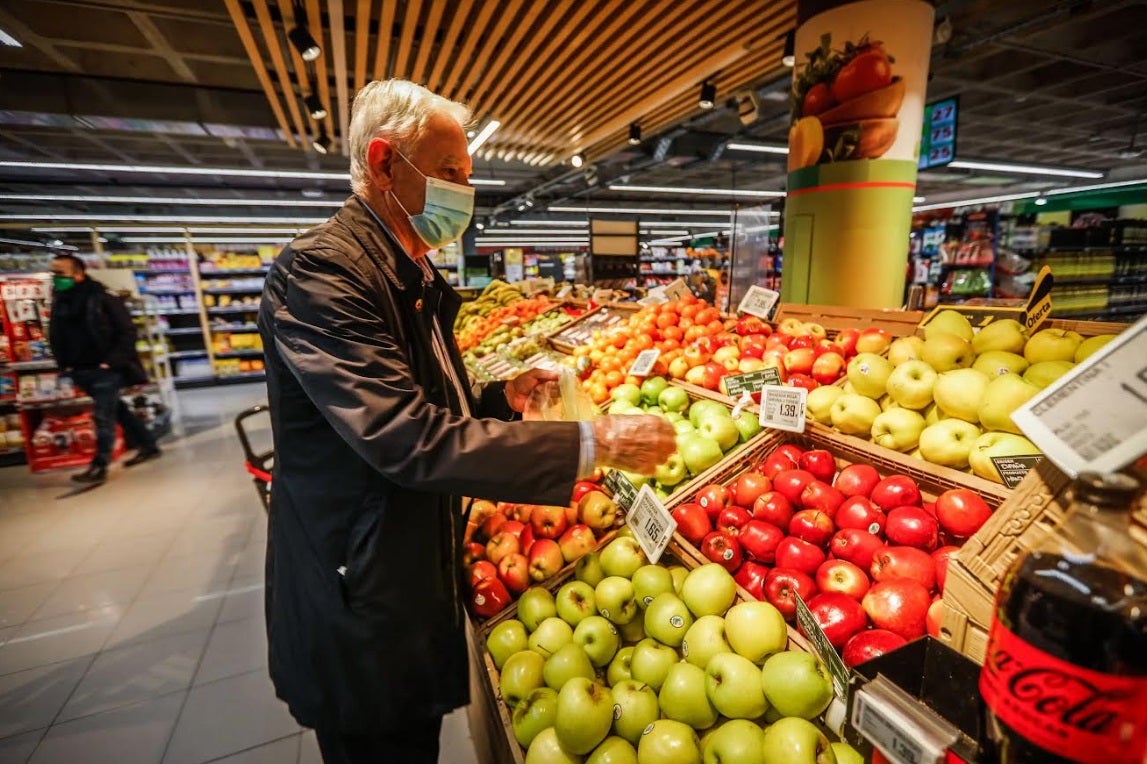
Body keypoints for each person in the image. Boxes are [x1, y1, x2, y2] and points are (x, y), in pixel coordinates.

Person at [257, 79, 676, 764]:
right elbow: (405, 437)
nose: (464, 190)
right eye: (450, 173)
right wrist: (591, 442)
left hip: (398, 563)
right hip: (356, 586)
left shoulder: (403, 268)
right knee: (381, 746)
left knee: (411, 737)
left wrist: (497, 398)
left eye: (467, 174)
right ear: (385, 161)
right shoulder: (323, 275)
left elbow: (425, 403)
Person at [48, 254, 161, 484]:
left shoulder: (102, 298)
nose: (56, 278)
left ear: (78, 274)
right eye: (54, 273)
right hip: (80, 369)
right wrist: (64, 365)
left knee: (103, 417)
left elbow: (128, 331)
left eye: (61, 273)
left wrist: (112, 362)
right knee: (117, 411)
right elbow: (57, 335)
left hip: (105, 370)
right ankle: (148, 444)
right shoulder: (61, 301)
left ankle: (99, 465)